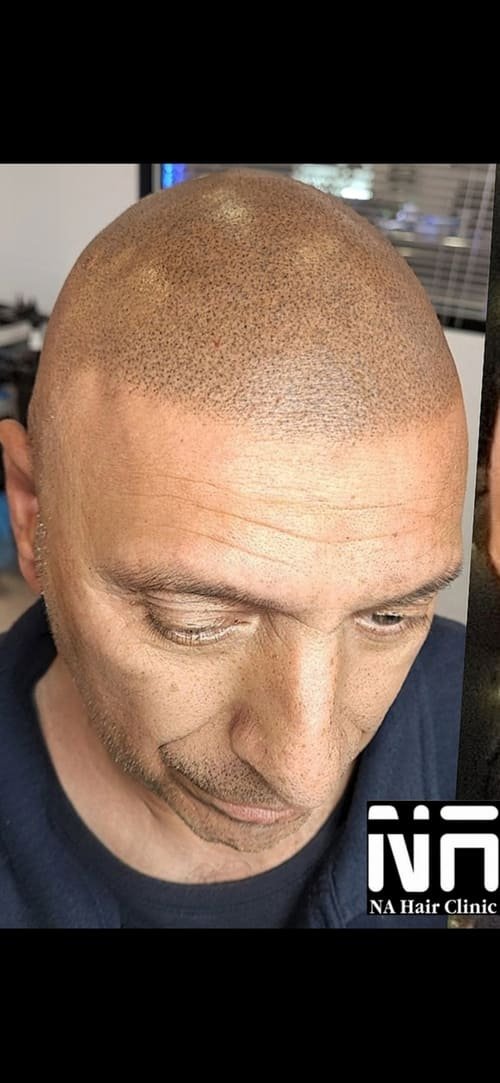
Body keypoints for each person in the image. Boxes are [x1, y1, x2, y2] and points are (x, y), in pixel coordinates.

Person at [0, 169, 467, 928]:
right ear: (31, 517)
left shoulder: (472, 747)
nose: (304, 772)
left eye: (388, 616)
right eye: (195, 621)